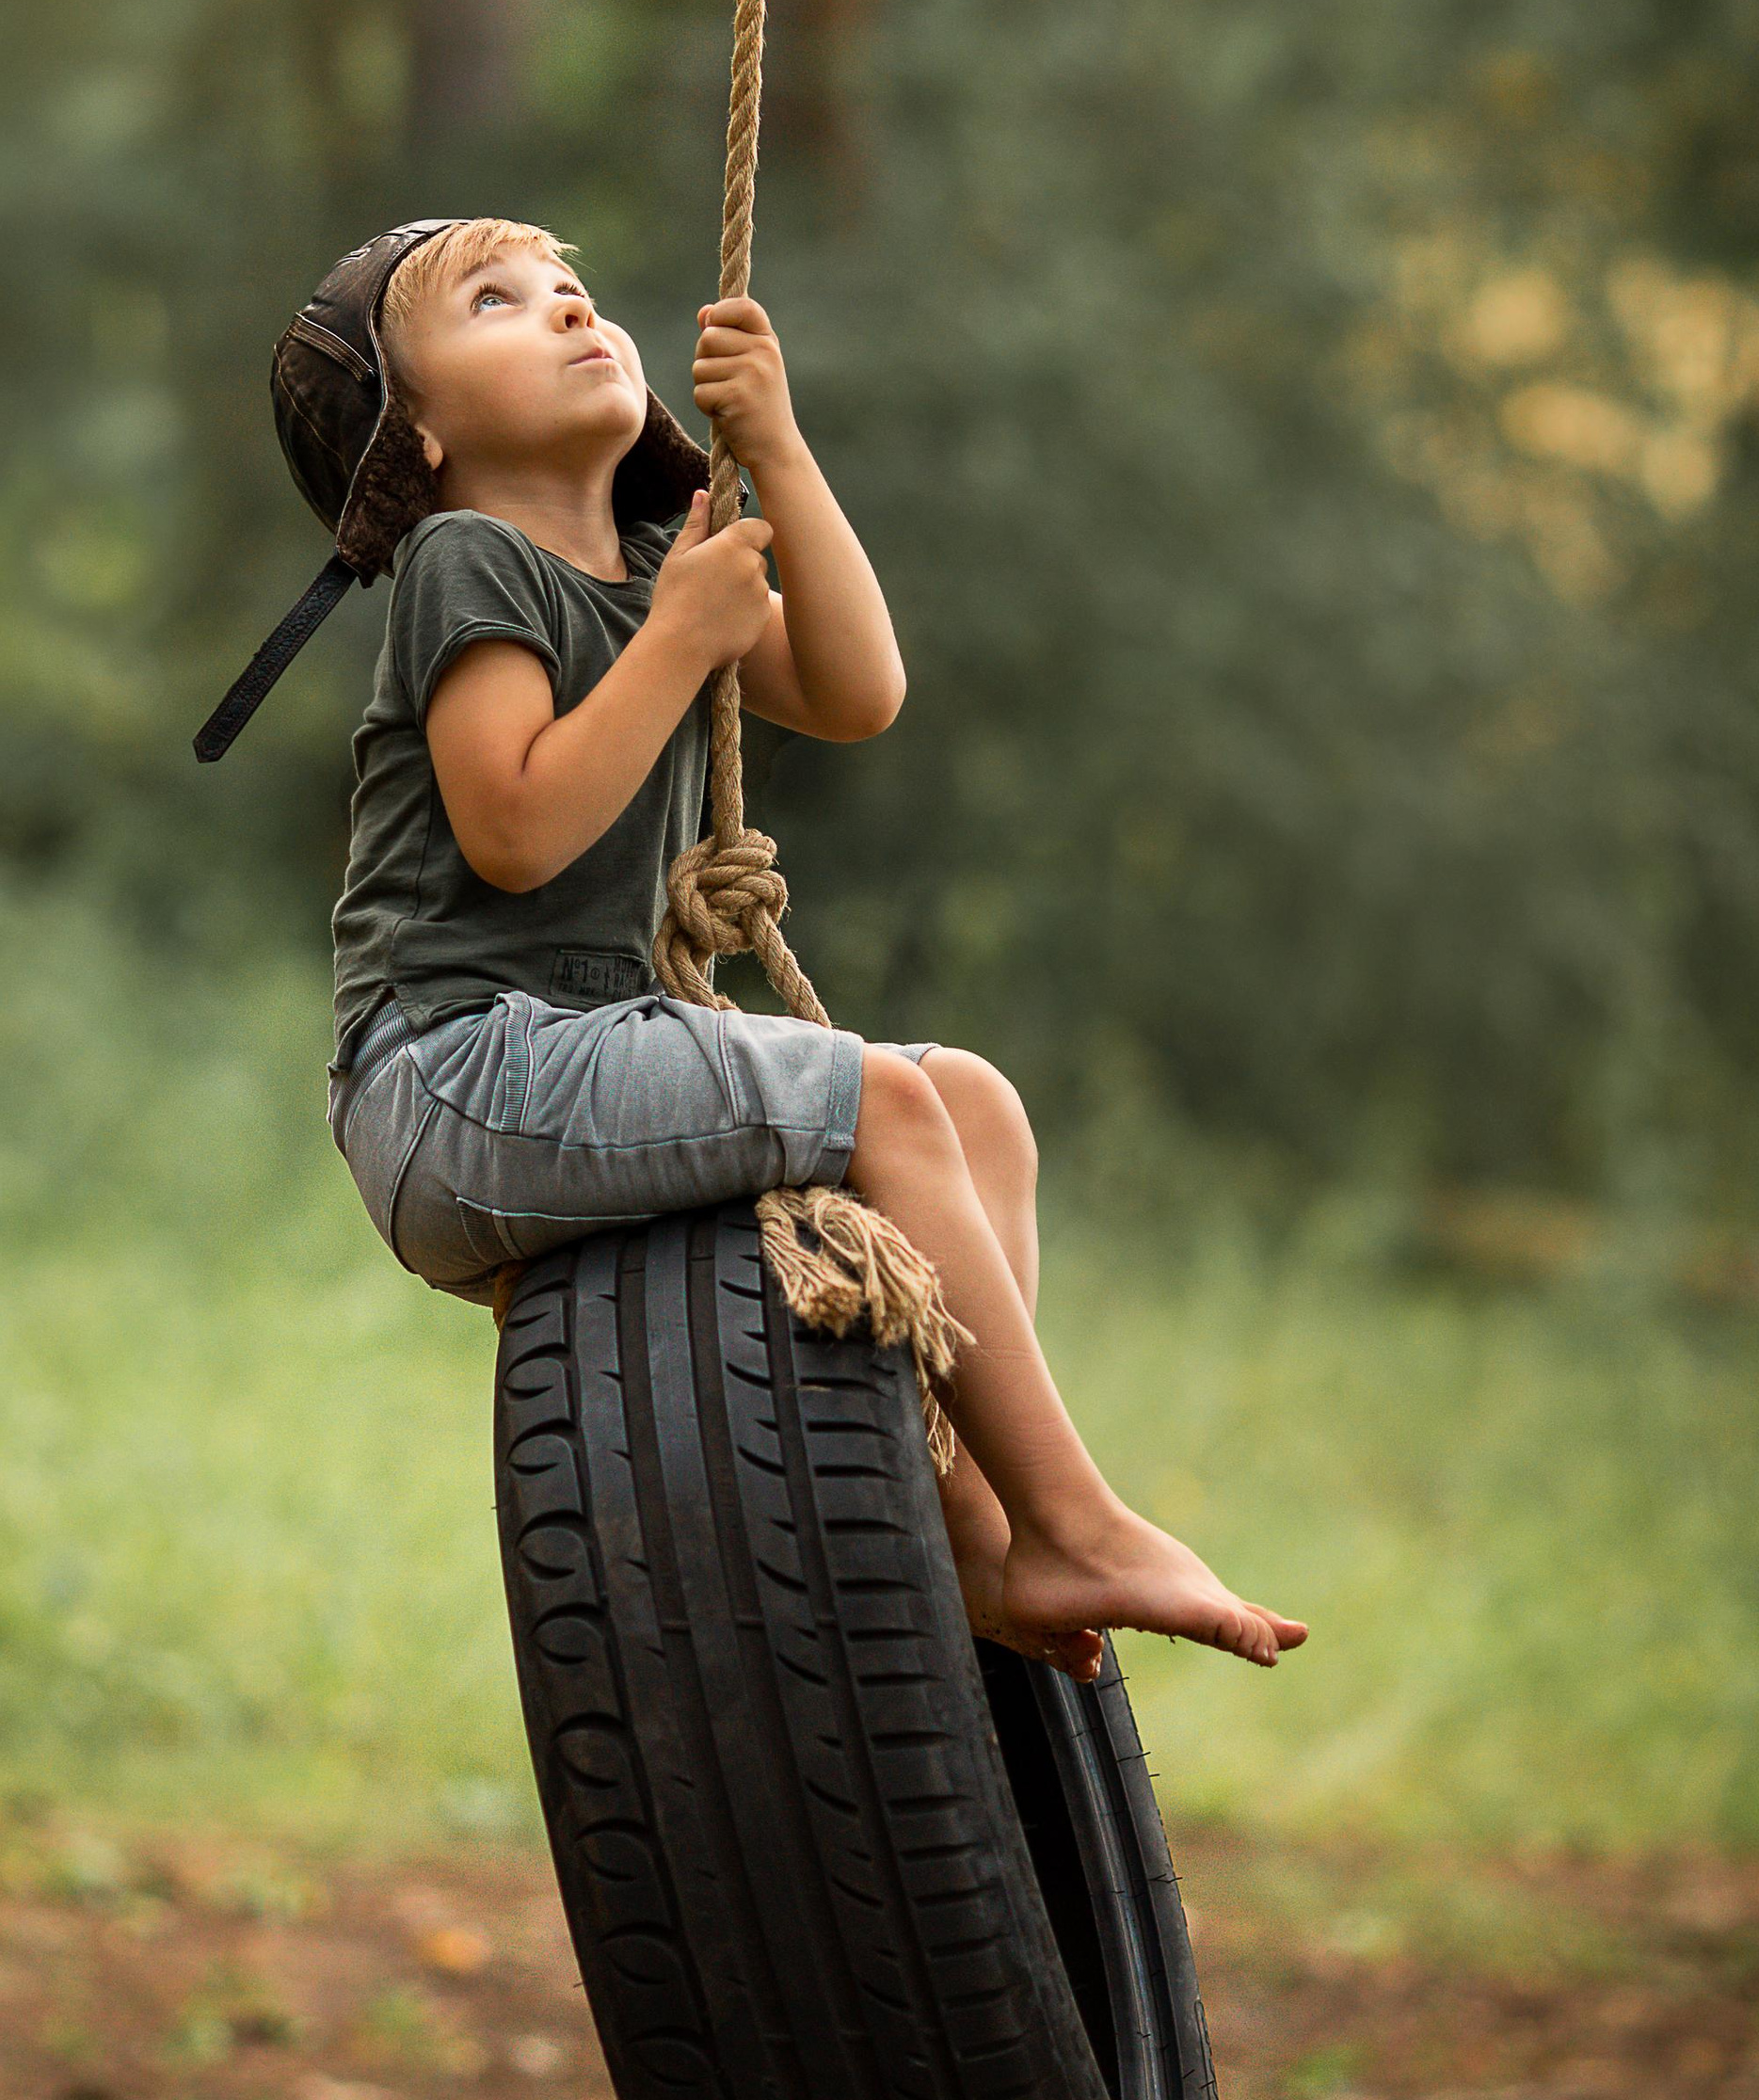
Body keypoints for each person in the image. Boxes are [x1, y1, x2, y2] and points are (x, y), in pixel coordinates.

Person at [226, 213, 1305, 1684]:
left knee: (971, 1099)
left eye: (572, 288)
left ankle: (982, 1536)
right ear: (413, 438)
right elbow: (517, 834)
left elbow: (860, 692)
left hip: (581, 1053)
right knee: (886, 1103)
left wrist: (781, 454)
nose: (564, 311)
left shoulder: (670, 554)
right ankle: (1076, 1518)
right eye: (495, 300)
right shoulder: (464, 561)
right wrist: (676, 642)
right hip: (454, 1069)